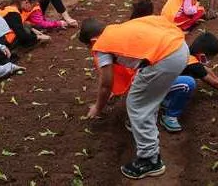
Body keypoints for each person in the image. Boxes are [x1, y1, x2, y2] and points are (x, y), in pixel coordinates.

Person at [79, 16, 189, 179]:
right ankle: (141, 127)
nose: (93, 51)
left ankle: (150, 160)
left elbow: (105, 84)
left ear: (94, 39)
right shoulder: (117, 30)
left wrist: (97, 107)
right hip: (179, 48)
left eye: (90, 46)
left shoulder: (102, 44)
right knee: (146, 96)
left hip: (166, 58)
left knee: (136, 105)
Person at [160, 32, 218, 132]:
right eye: (211, 57)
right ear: (203, 55)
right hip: (156, 86)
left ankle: (165, 99)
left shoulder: (186, 52)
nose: (210, 60)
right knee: (188, 84)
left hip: (158, 79)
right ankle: (169, 115)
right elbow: (214, 83)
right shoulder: (193, 64)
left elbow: (207, 71)